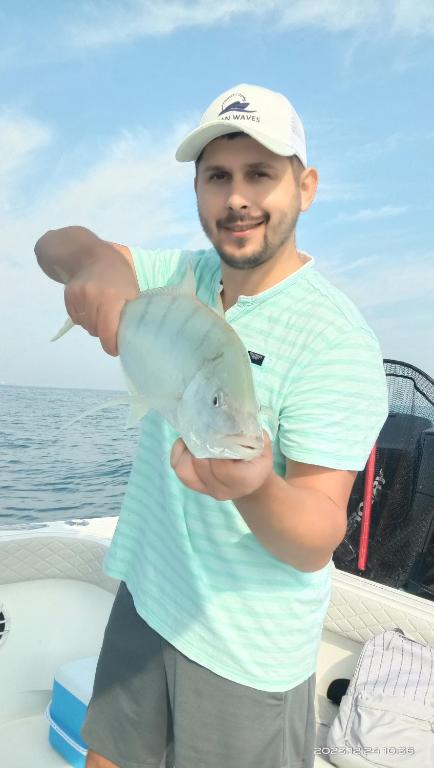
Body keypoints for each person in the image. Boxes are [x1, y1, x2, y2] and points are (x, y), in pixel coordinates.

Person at [35, 83, 389, 768]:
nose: (237, 198)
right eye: (217, 176)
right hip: (147, 596)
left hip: (247, 649)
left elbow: (319, 533)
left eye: (261, 173)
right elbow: (58, 243)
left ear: (306, 187)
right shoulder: (179, 276)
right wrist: (94, 266)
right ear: (196, 190)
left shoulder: (337, 339)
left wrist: (255, 487)